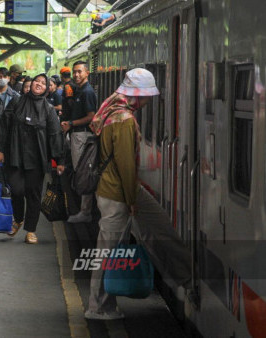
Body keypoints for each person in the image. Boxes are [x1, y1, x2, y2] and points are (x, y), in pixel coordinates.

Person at [85, 68, 191, 320]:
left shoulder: (111, 108)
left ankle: (182, 278)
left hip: (115, 187)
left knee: (150, 230)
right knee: (108, 250)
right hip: (117, 191)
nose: (147, 102)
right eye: (145, 96)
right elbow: (125, 164)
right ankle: (98, 307)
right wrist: (132, 200)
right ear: (136, 95)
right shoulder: (123, 119)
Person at [0, 74, 64, 244]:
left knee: (33, 195)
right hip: (15, 154)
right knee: (17, 190)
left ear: (47, 88)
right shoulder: (17, 102)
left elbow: (55, 135)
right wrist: (1, 150)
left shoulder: (48, 110)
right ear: (31, 84)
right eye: (36, 81)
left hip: (37, 158)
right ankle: (18, 218)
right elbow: (4, 126)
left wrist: (60, 161)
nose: (39, 84)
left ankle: (31, 230)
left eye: (43, 83)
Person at [61, 61, 97, 223]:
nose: (76, 75)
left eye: (79, 72)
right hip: (77, 134)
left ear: (87, 73)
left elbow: (91, 116)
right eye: (74, 72)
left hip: (82, 135)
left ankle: (85, 211)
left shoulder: (87, 92)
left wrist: (71, 124)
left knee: (83, 173)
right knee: (81, 171)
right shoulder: (79, 90)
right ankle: (85, 209)